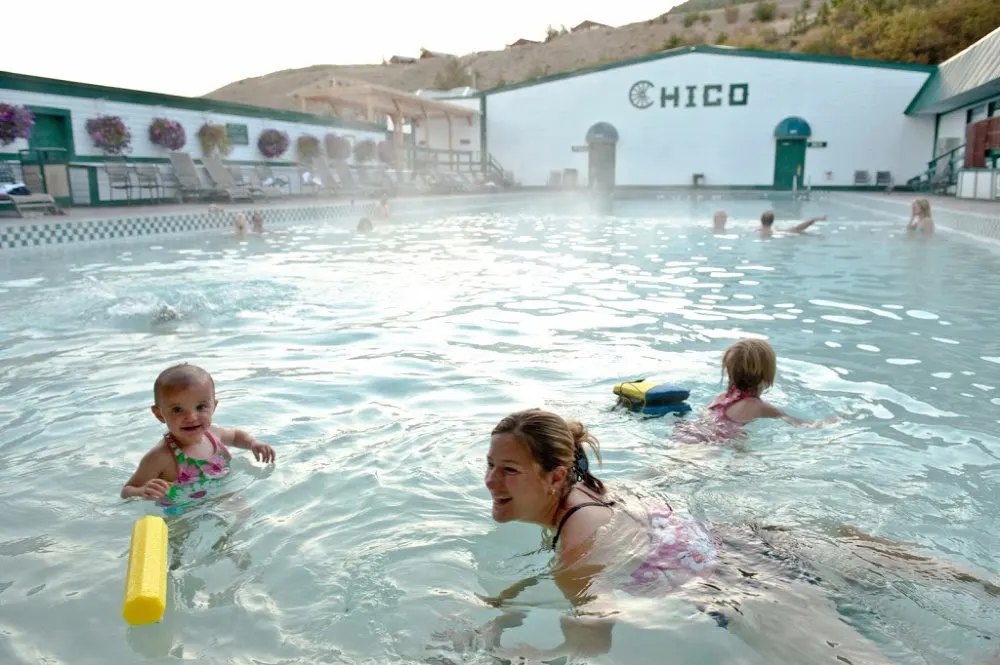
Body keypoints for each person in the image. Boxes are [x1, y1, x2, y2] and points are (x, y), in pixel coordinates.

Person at [478, 408, 999, 663]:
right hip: (759, 541)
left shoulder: (577, 547)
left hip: (747, 590)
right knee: (953, 578)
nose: (490, 482)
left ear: (552, 476)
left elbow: (593, 637)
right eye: (489, 466)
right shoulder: (598, 492)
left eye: (508, 470)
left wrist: (529, 654)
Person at [121, 363, 276, 511]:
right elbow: (127, 491)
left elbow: (235, 436)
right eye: (177, 409)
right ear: (159, 414)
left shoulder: (214, 434)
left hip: (219, 495)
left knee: (244, 512)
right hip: (181, 509)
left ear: (213, 407)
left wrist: (253, 443)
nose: (191, 417)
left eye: (201, 407)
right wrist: (142, 491)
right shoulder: (161, 456)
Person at [674, 338, 835, 443]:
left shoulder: (719, 397)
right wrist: (830, 422)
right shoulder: (757, 406)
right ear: (767, 375)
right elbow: (802, 425)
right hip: (709, 443)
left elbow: (705, 419)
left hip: (686, 433)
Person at [756, 210, 826, 237]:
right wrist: (813, 219)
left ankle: (814, 219)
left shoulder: (757, 230)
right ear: (772, 221)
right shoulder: (773, 231)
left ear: (761, 220)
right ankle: (814, 219)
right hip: (777, 234)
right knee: (797, 230)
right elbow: (797, 228)